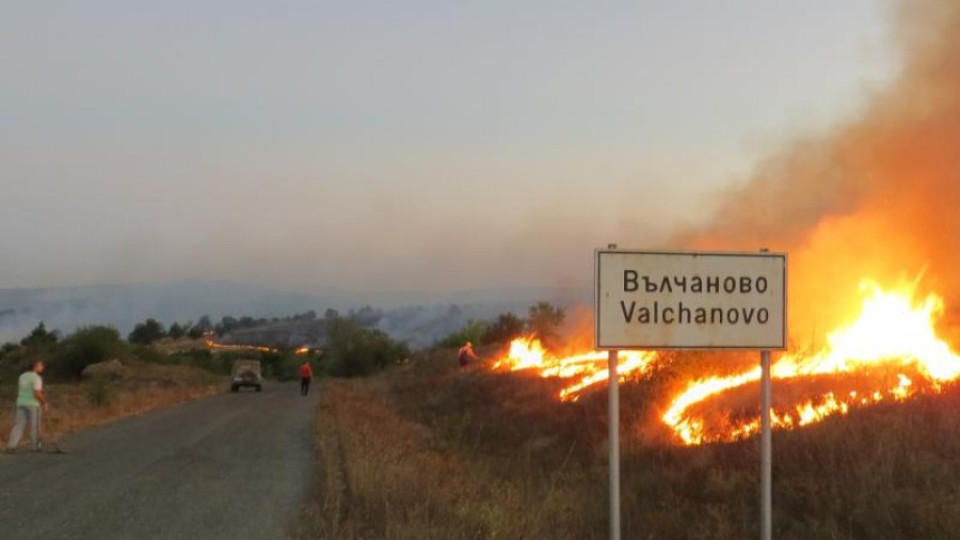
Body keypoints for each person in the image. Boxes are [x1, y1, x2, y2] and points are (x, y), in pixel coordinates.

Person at [7, 359, 49, 452]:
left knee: (19, 425)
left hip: (21, 402)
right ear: (35, 366)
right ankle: (36, 446)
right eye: (41, 365)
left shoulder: (22, 376)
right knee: (35, 426)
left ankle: (11, 445)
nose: (42, 367)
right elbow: (37, 393)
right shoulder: (37, 378)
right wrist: (44, 402)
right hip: (33, 404)